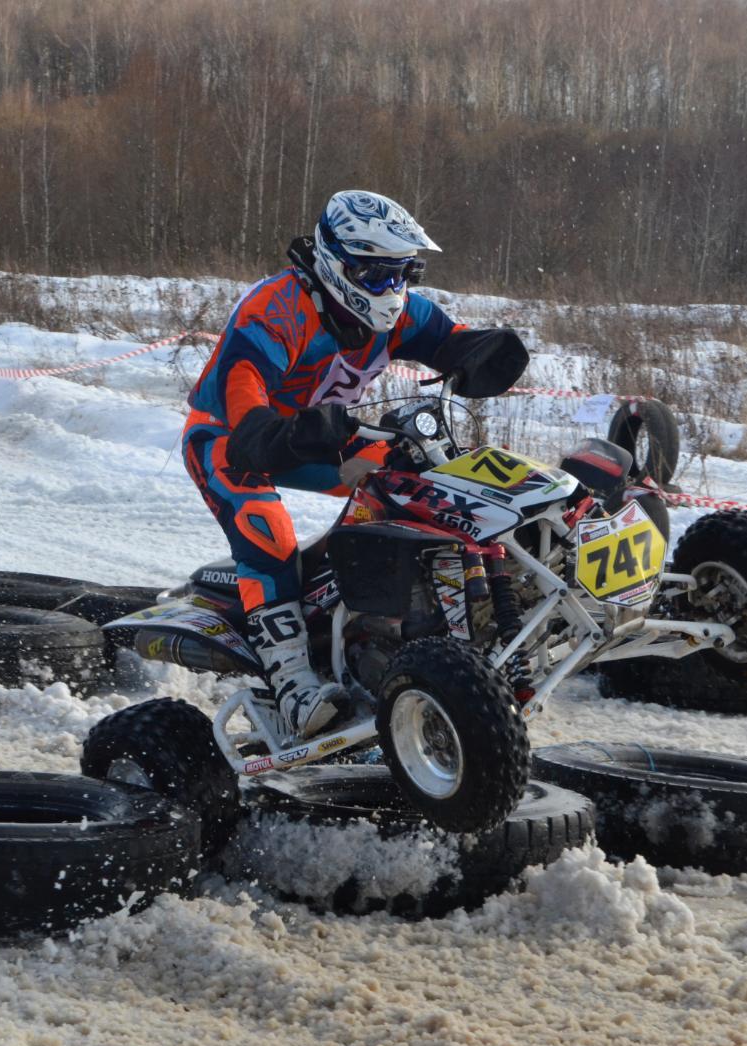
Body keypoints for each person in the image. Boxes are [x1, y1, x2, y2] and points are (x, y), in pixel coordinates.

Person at [182, 189, 524, 738]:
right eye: (377, 275)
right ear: (338, 263)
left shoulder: (403, 313)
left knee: (416, 479)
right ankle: (293, 684)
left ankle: (409, 623)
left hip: (328, 435)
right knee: (265, 533)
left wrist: (487, 353)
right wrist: (282, 431)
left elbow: (451, 340)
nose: (392, 289)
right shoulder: (274, 312)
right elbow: (245, 407)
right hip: (233, 438)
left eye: (402, 273)